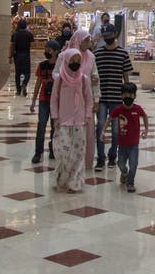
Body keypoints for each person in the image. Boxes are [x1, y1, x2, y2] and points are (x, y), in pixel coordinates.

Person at [54, 28, 99, 169]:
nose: (89, 43)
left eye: (89, 40)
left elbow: (95, 77)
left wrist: (96, 98)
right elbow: (56, 74)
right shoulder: (64, 56)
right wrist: (69, 79)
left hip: (85, 100)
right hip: (66, 99)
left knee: (86, 132)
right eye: (86, 40)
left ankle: (83, 163)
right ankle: (66, 163)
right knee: (65, 132)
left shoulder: (91, 57)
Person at [50, 48, 93, 193]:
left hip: (79, 121)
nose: (75, 63)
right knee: (63, 151)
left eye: (78, 60)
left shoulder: (83, 79)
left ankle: (75, 183)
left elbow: (88, 99)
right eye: (72, 60)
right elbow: (54, 99)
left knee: (78, 153)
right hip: (63, 121)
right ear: (66, 60)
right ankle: (62, 177)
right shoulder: (60, 79)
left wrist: (87, 116)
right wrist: (55, 117)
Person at [93, 23, 133, 172]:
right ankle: (100, 158)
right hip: (101, 97)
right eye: (105, 36)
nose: (107, 38)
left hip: (117, 97)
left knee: (116, 129)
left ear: (115, 34)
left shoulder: (122, 53)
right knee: (100, 127)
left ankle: (112, 155)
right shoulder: (98, 54)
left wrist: (128, 95)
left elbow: (126, 75)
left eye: (109, 35)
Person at [102, 82, 148, 193]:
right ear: (121, 95)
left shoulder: (137, 109)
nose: (128, 97)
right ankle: (124, 173)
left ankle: (130, 183)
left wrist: (146, 130)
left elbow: (145, 116)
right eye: (125, 94)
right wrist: (103, 131)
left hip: (134, 145)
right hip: (122, 144)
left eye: (131, 94)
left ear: (134, 96)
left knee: (133, 164)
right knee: (121, 163)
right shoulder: (119, 109)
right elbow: (109, 119)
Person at [30, 39, 60, 163]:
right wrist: (33, 100)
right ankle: (38, 151)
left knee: (55, 126)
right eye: (46, 49)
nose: (46, 51)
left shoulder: (60, 66)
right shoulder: (42, 65)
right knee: (41, 124)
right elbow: (38, 83)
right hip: (43, 99)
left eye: (49, 49)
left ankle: (53, 148)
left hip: (56, 100)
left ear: (56, 51)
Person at [9, 18, 34, 95]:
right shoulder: (29, 34)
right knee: (27, 73)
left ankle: (18, 90)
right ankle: (24, 84)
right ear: (25, 25)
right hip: (26, 55)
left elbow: (12, 46)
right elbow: (32, 45)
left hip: (17, 55)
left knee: (18, 73)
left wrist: (10, 56)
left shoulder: (15, 34)